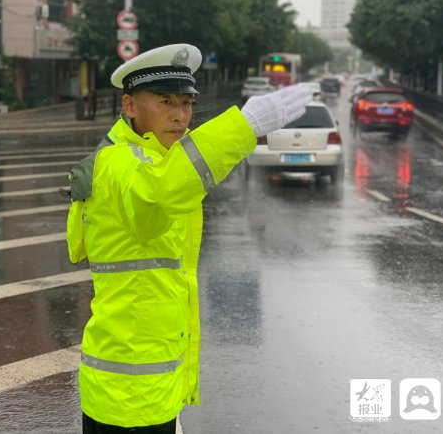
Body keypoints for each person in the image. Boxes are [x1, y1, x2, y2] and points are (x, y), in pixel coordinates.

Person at [67, 43, 313, 433]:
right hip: (129, 398)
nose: (180, 116)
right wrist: (243, 127)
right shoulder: (118, 163)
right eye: (166, 102)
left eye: (186, 104)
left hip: (148, 387)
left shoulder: (156, 159)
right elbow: (159, 196)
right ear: (129, 106)